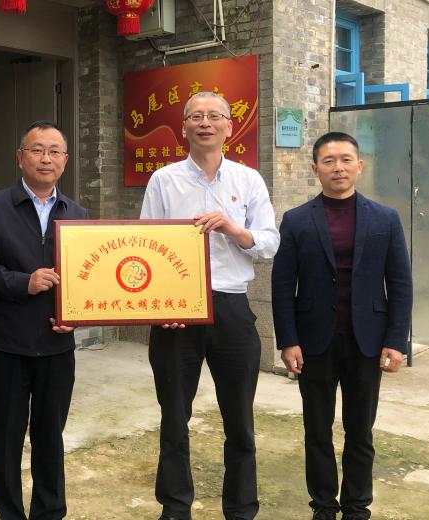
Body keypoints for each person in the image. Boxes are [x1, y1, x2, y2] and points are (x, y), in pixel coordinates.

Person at [140, 92, 279, 520]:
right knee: (173, 418)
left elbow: (270, 242)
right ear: (183, 127)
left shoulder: (248, 179)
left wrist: (234, 230)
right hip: (175, 312)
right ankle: (175, 506)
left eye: (215, 116)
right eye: (196, 116)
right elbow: (145, 245)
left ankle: (241, 508)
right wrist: (159, 309)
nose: (205, 123)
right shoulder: (163, 180)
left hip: (232, 308)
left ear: (229, 127)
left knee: (239, 420)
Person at [271, 132, 412, 520]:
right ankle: (323, 505)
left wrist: (396, 341)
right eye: (329, 161)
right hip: (314, 342)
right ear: (315, 168)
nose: (338, 167)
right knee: (317, 430)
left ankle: (356, 506)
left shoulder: (385, 218)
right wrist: (288, 340)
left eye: (346, 159)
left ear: (359, 166)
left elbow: (400, 283)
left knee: (360, 431)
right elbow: (282, 286)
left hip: (367, 341)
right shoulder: (297, 220)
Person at [0, 121, 87, 520]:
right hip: (9, 346)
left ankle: (49, 512)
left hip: (57, 346)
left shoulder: (77, 214)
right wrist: (24, 282)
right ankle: (10, 513)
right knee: (6, 439)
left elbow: (87, 277)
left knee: (50, 439)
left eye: (54, 151)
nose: (45, 158)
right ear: (20, 158)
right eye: (37, 150)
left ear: (65, 160)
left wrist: (77, 318)